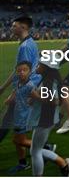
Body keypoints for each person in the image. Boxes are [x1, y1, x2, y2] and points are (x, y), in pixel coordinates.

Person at [28, 56, 69, 176]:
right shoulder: (50, 78)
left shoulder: (49, 81)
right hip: (49, 118)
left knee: (35, 152)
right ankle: (66, 163)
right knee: (35, 150)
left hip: (45, 119)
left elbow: (54, 101)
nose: (37, 66)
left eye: (40, 64)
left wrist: (35, 97)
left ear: (46, 67)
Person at [0, 16, 40, 149]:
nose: (11, 28)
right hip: (27, 89)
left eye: (14, 25)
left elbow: (24, 73)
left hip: (24, 90)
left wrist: (13, 93)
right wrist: (3, 87)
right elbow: (19, 70)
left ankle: (49, 150)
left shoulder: (25, 46)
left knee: (7, 122)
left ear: (23, 27)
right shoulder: (29, 43)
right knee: (16, 127)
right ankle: (24, 161)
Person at [3, 61, 35, 173]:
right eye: (19, 70)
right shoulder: (18, 83)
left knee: (18, 140)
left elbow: (37, 98)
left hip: (24, 117)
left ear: (30, 72)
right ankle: (23, 163)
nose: (21, 72)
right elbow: (16, 93)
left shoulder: (30, 86)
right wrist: (10, 99)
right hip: (17, 116)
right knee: (18, 141)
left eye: (25, 70)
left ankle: (45, 147)